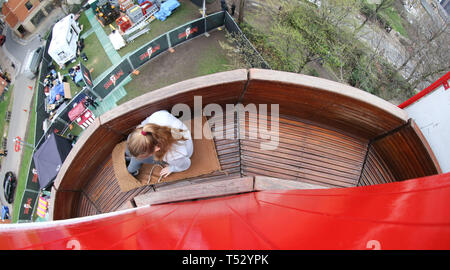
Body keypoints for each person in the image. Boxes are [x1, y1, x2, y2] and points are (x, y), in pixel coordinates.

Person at [125, 110, 193, 178]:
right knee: (130, 138)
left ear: (156, 148)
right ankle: (130, 157)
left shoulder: (173, 156)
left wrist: (172, 168)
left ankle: (130, 169)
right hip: (181, 134)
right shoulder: (157, 116)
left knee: (137, 159)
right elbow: (163, 112)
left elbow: (186, 164)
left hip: (183, 151)